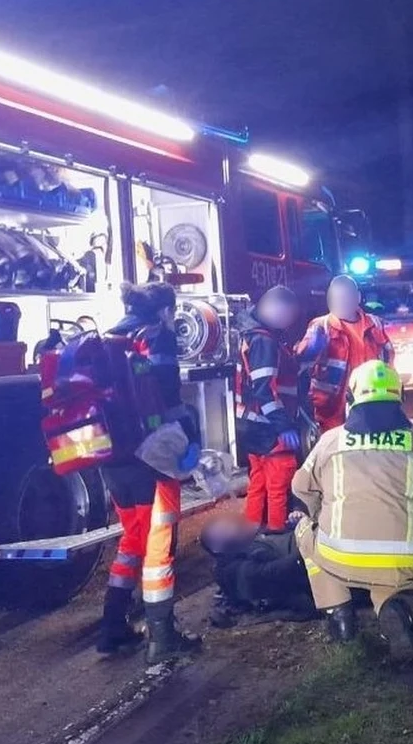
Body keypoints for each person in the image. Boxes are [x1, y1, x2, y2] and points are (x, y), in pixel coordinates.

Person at [293, 360, 413, 657]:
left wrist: (316, 516)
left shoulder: (330, 441)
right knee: (406, 590)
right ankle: (400, 611)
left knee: (303, 528)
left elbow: (301, 490)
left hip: (336, 557)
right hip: (398, 560)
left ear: (352, 400)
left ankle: (339, 616)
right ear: (400, 398)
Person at [99, 282, 201, 663]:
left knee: (132, 540)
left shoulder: (111, 336)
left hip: (112, 460)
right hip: (151, 460)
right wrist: (189, 440)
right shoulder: (158, 337)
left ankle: (112, 628)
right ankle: (162, 637)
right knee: (159, 549)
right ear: (164, 310)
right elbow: (169, 398)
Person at [236, 285, 302, 532]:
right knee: (278, 487)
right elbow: (265, 389)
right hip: (268, 428)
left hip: (250, 425)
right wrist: (283, 426)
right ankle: (276, 538)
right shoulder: (264, 340)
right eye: (288, 315)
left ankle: (252, 532)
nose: (289, 321)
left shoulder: (252, 334)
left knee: (258, 483)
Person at [296, 275, 394, 433]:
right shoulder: (321, 326)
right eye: (336, 298)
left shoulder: (375, 324)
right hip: (332, 410)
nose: (341, 303)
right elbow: (300, 364)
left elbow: (389, 361)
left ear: (358, 297)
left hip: (371, 404)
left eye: (345, 297)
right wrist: (310, 350)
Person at [200, 514, 316, 628]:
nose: (233, 525)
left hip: (308, 541)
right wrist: (309, 547)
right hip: (312, 560)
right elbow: (280, 570)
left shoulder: (248, 542)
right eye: (224, 529)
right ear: (218, 548)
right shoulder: (239, 571)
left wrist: (298, 523)